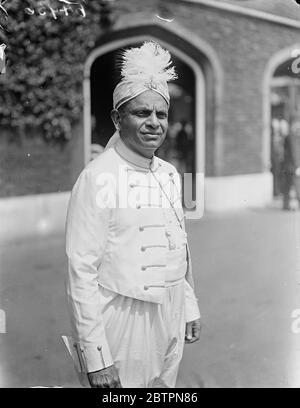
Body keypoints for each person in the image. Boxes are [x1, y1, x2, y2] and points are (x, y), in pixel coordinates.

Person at [64, 41, 201, 388]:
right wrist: (95, 357)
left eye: (161, 114)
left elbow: (181, 245)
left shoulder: (173, 173)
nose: (154, 123)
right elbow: (80, 271)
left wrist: (189, 305)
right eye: (142, 113)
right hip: (125, 318)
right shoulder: (96, 177)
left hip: (170, 312)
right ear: (117, 118)